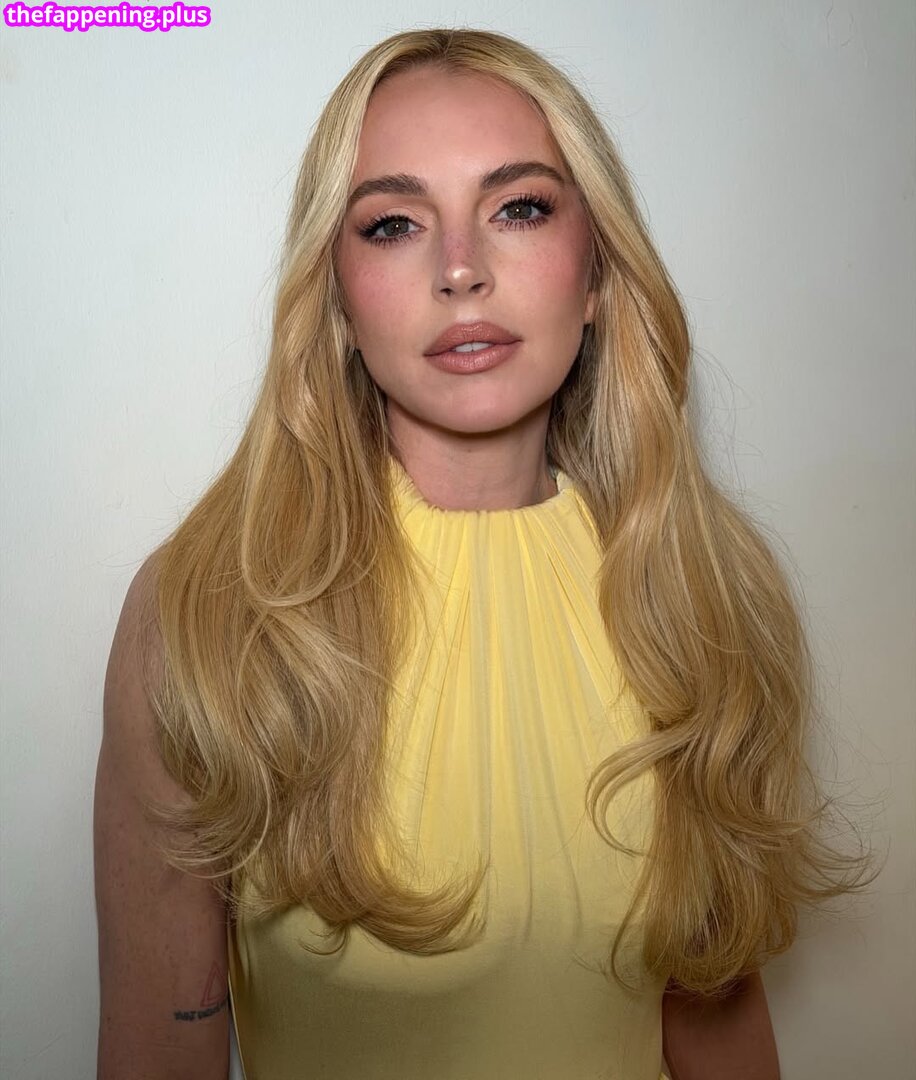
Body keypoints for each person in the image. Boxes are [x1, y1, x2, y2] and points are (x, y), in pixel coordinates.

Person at [94, 26, 878, 1080]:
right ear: (337, 299)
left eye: (519, 208)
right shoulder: (208, 612)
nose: (460, 269)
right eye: (393, 224)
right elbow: (158, 1045)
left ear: (596, 273)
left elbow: (717, 1020)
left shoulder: (700, 594)